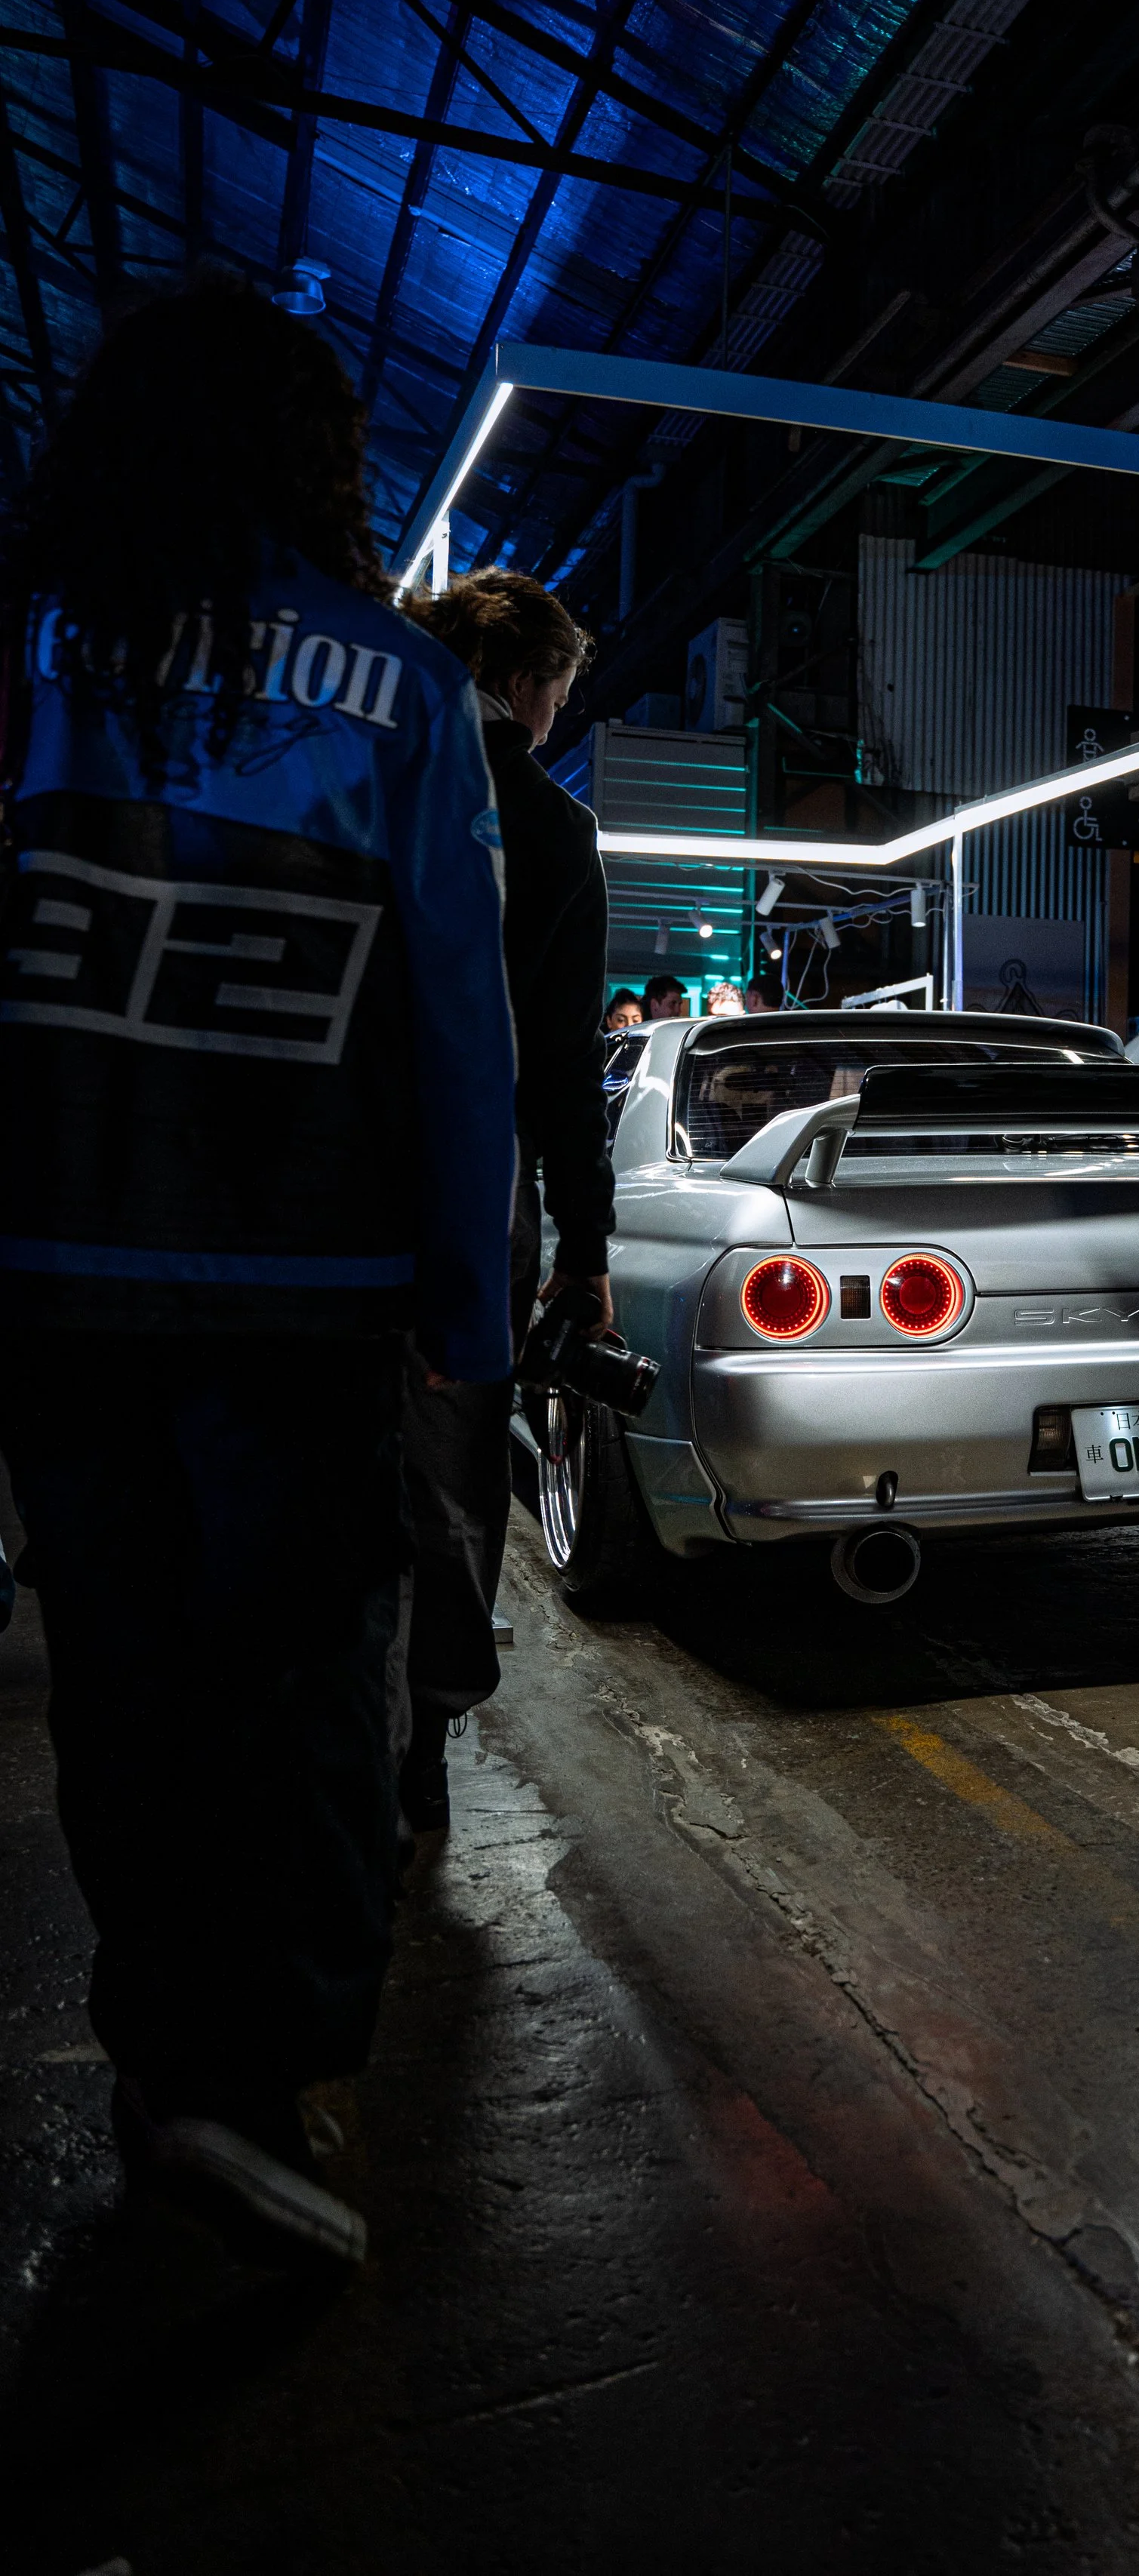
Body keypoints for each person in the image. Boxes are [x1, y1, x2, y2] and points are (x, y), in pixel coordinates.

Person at [0, 272, 515, 2267]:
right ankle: (284, 2080)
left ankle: (164, 2068)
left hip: (55, 1283)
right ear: (317, 456)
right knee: (306, 1682)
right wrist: (468, 1307)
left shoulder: (31, 650)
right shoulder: (401, 692)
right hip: (305, 1292)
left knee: (119, 1684)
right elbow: (458, 1034)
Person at [399, 571, 611, 1830]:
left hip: (316, 1186)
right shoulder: (546, 820)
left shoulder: (359, 761)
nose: (554, 723)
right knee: (450, 1477)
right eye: (559, 698)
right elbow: (563, 1068)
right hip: (472, 1197)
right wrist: (585, 1246)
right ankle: (420, 1746)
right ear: (530, 679)